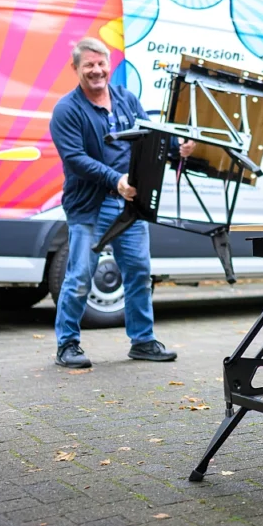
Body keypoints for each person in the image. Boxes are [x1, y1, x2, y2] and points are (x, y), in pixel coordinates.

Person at [48, 37, 195, 368]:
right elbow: (75, 159)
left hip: (130, 204)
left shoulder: (127, 100)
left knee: (139, 272)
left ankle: (143, 341)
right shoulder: (67, 110)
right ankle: (67, 345)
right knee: (80, 275)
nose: (96, 70)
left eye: (101, 63)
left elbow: (150, 138)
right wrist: (115, 180)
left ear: (109, 65)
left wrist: (177, 148)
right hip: (90, 206)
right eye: (89, 65)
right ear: (75, 68)